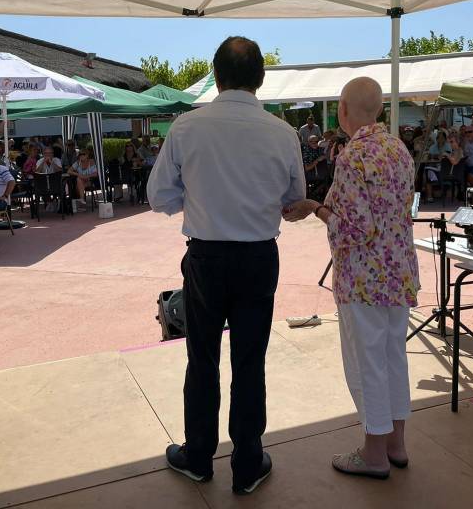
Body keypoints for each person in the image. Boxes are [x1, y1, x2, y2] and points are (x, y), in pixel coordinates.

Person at [148, 36, 305, 495]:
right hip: (258, 256)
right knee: (250, 359)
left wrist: (195, 200)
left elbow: (159, 196)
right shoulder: (283, 133)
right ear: (261, 78)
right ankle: (248, 462)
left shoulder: (186, 126)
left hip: (206, 257)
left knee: (202, 357)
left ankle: (198, 455)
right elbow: (294, 201)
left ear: (216, 76)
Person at [283, 76, 418, 480]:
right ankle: (396, 444)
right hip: (399, 274)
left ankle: (374, 453)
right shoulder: (398, 149)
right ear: (378, 109)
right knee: (394, 359)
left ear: (343, 109)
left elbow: (355, 231)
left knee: (367, 364)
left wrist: (315, 208)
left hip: (364, 279)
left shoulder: (354, 155)